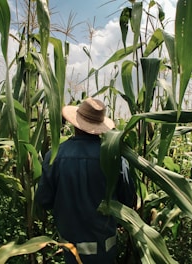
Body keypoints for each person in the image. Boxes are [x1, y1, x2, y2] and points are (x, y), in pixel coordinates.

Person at [35, 97, 135, 264]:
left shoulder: (54, 156)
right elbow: (128, 201)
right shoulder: (115, 158)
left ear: (75, 123)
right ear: (100, 128)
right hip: (106, 251)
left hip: (70, 252)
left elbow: (44, 200)